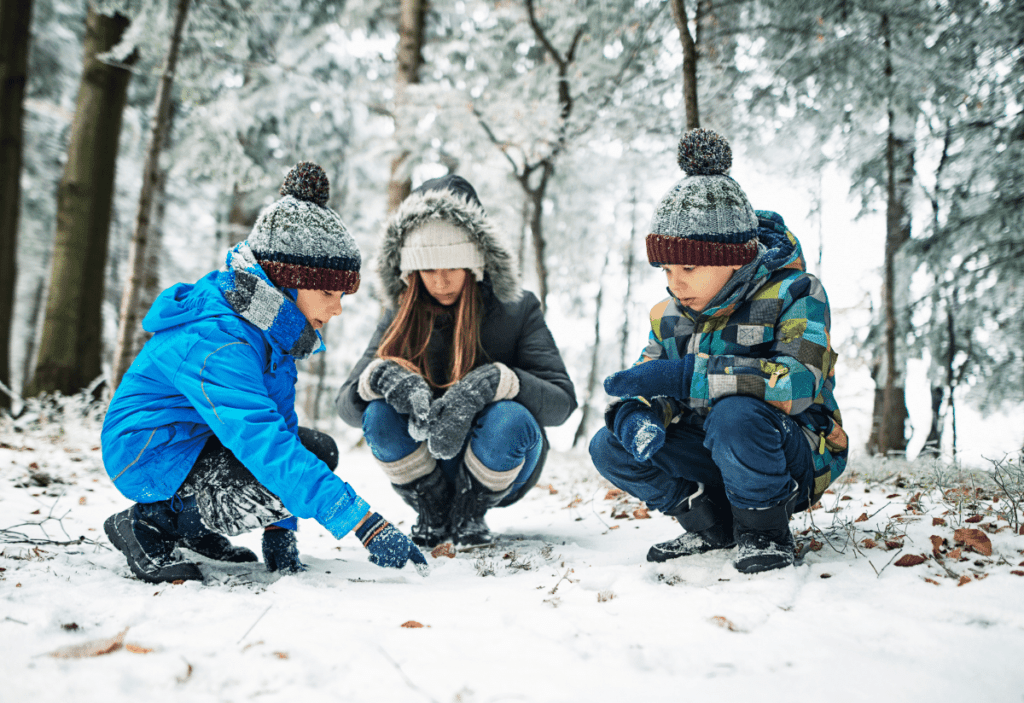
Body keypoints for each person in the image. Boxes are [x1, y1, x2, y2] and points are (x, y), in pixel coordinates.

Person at [102, 162, 427, 583]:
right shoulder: (220, 340)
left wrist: (281, 532)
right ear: (286, 281)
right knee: (274, 469)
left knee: (316, 450)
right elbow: (262, 443)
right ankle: (148, 521)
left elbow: (281, 430)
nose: (336, 308)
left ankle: (189, 525)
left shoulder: (271, 330)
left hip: (198, 442)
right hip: (148, 452)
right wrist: (365, 524)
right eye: (328, 292)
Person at [589, 129, 849, 574]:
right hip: (712, 449)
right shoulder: (670, 314)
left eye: (688, 266)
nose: (675, 282)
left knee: (736, 416)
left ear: (734, 256)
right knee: (609, 446)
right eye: (667, 267)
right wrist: (638, 414)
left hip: (791, 452)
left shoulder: (796, 293)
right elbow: (651, 377)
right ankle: (710, 523)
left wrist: (687, 377)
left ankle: (763, 529)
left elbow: (799, 381)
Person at [336, 174, 576, 547]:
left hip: (498, 457)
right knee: (377, 413)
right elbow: (347, 408)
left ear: (476, 263)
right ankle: (431, 509)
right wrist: (379, 379)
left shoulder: (517, 309)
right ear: (411, 271)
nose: (442, 281)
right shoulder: (401, 313)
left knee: (509, 418)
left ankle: (470, 511)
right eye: (428, 269)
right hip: (425, 463)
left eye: (452, 266)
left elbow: (561, 405)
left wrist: (499, 382)